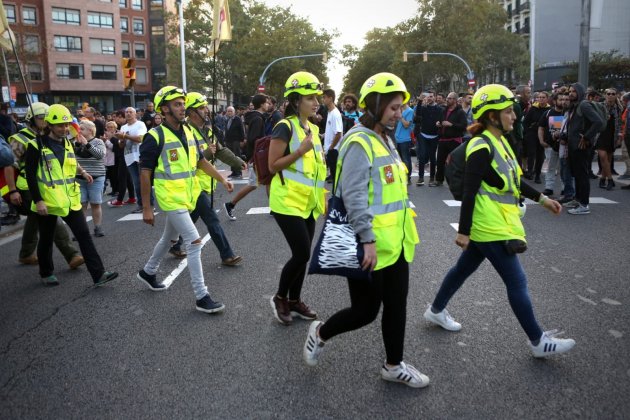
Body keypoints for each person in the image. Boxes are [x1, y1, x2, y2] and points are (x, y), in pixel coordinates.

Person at [422, 84, 576, 359]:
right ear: (492, 115)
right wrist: (464, 232)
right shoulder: (480, 146)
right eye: (508, 111)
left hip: (494, 224)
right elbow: (469, 192)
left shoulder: (500, 143)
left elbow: (514, 183)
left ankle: (435, 310)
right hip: (488, 227)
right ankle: (537, 340)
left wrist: (543, 200)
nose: (514, 116)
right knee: (517, 282)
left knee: (462, 270)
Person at [302, 72, 426, 388]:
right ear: (375, 105)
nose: (399, 114)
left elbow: (389, 188)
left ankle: (393, 365)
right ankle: (320, 332)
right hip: (367, 245)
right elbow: (354, 194)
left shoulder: (385, 139)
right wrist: (367, 240)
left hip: (396, 242)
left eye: (401, 108)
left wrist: (406, 210)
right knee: (365, 312)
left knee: (397, 305)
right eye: (394, 108)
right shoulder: (358, 141)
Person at [135, 86, 233, 314]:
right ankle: (202, 296)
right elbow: (145, 173)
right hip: (170, 198)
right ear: (164, 109)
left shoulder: (188, 132)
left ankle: (148, 272)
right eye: (177, 104)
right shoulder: (154, 136)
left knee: (169, 238)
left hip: (188, 195)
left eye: (183, 103)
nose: (182, 108)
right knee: (194, 241)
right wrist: (147, 208)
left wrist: (221, 178)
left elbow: (201, 162)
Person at [24, 104, 118, 286]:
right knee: (46, 238)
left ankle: (99, 274)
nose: (64, 128)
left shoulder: (67, 142)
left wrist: (82, 172)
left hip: (69, 199)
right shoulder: (36, 145)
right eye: (60, 125)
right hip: (49, 201)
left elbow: (71, 162)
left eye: (67, 125)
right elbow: (30, 176)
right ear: (49, 125)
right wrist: (38, 200)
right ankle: (46, 272)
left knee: (84, 235)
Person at [267, 71, 327, 326]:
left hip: (309, 202)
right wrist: (300, 150)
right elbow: (273, 165)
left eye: (316, 97)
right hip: (287, 202)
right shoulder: (285, 126)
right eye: (309, 97)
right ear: (295, 101)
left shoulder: (312, 127)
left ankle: (295, 300)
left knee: (304, 254)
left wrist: (322, 195)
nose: (316, 102)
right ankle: (280, 297)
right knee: (301, 254)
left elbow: (317, 167)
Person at [166, 91, 244, 266]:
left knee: (193, 216)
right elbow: (191, 160)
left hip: (206, 184)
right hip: (194, 185)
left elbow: (221, 150)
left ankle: (176, 245)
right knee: (212, 220)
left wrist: (238, 162)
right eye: (202, 108)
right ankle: (227, 255)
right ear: (192, 112)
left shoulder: (206, 131)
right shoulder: (185, 132)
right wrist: (208, 152)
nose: (206, 110)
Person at [4, 102, 84, 269]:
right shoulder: (20, 139)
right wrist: (12, 191)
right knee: (51, 217)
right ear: (31, 119)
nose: (45, 119)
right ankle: (72, 254)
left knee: (36, 218)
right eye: (41, 117)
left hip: (50, 186)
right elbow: (9, 166)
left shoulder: (50, 137)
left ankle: (26, 253)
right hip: (27, 187)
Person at [223, 95, 270, 220]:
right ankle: (230, 204)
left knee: (269, 181)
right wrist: (258, 153)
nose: (268, 104)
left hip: (256, 156)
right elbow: (254, 139)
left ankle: (274, 209)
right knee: (254, 184)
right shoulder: (258, 119)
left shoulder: (255, 117)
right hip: (257, 157)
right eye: (266, 102)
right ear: (261, 104)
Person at [564, 83, 605, 215]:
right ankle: (578, 199)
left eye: (573, 91)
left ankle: (584, 204)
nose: (570, 93)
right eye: (569, 91)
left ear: (580, 93)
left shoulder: (584, 105)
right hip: (574, 146)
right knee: (577, 174)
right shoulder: (574, 106)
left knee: (582, 175)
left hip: (582, 146)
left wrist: (586, 137)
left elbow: (597, 122)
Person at [74, 120, 107, 237]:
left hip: (96, 178)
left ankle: (97, 227)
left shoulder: (98, 142)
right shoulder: (74, 142)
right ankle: (82, 231)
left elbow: (100, 155)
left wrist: (87, 144)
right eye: (79, 129)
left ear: (91, 130)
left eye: (82, 129)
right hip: (79, 178)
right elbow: (71, 157)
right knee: (80, 204)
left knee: (95, 203)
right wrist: (78, 144)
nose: (79, 131)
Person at [118, 107, 152, 213]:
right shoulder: (123, 127)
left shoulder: (140, 124)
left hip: (140, 156)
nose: (128, 114)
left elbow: (140, 139)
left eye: (130, 112)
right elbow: (121, 145)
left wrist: (125, 136)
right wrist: (121, 140)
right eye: (126, 112)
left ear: (135, 114)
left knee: (144, 181)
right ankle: (141, 205)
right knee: (136, 183)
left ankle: (149, 204)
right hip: (129, 157)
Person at [433, 92, 468, 187]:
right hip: (443, 140)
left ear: (455, 100)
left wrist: (451, 124)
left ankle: (455, 181)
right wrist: (438, 124)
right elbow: (440, 121)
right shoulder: (443, 110)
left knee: (454, 162)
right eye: (447, 98)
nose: (447, 100)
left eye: (450, 98)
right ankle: (439, 180)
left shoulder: (460, 112)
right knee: (440, 161)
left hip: (454, 140)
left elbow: (464, 126)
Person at [596, 88, 624, 190]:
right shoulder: (600, 106)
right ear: (605, 95)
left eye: (613, 94)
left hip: (612, 135)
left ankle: (603, 179)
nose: (610, 95)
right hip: (600, 135)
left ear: (616, 95)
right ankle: (611, 180)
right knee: (603, 157)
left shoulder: (619, 108)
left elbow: (620, 123)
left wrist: (619, 136)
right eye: (608, 94)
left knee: (608, 159)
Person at [322, 89, 343, 184]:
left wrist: (330, 148)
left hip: (334, 150)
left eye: (324, 97)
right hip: (330, 149)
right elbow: (332, 131)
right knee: (333, 175)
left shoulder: (335, 113)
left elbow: (339, 133)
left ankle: (336, 197)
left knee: (336, 178)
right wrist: (323, 135)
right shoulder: (329, 112)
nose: (323, 99)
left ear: (330, 98)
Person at [394, 99, 414, 184]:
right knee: (398, 159)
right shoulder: (399, 110)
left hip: (405, 139)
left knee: (406, 159)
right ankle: (400, 176)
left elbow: (406, 125)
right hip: (397, 138)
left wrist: (400, 117)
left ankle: (408, 177)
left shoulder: (410, 111)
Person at [224, 106, 245, 179]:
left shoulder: (237, 119)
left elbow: (242, 129)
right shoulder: (227, 120)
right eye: (228, 111)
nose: (229, 112)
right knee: (231, 157)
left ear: (234, 112)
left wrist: (242, 140)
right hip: (228, 141)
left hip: (236, 140)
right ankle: (233, 172)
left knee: (237, 156)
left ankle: (239, 172)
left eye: (231, 111)